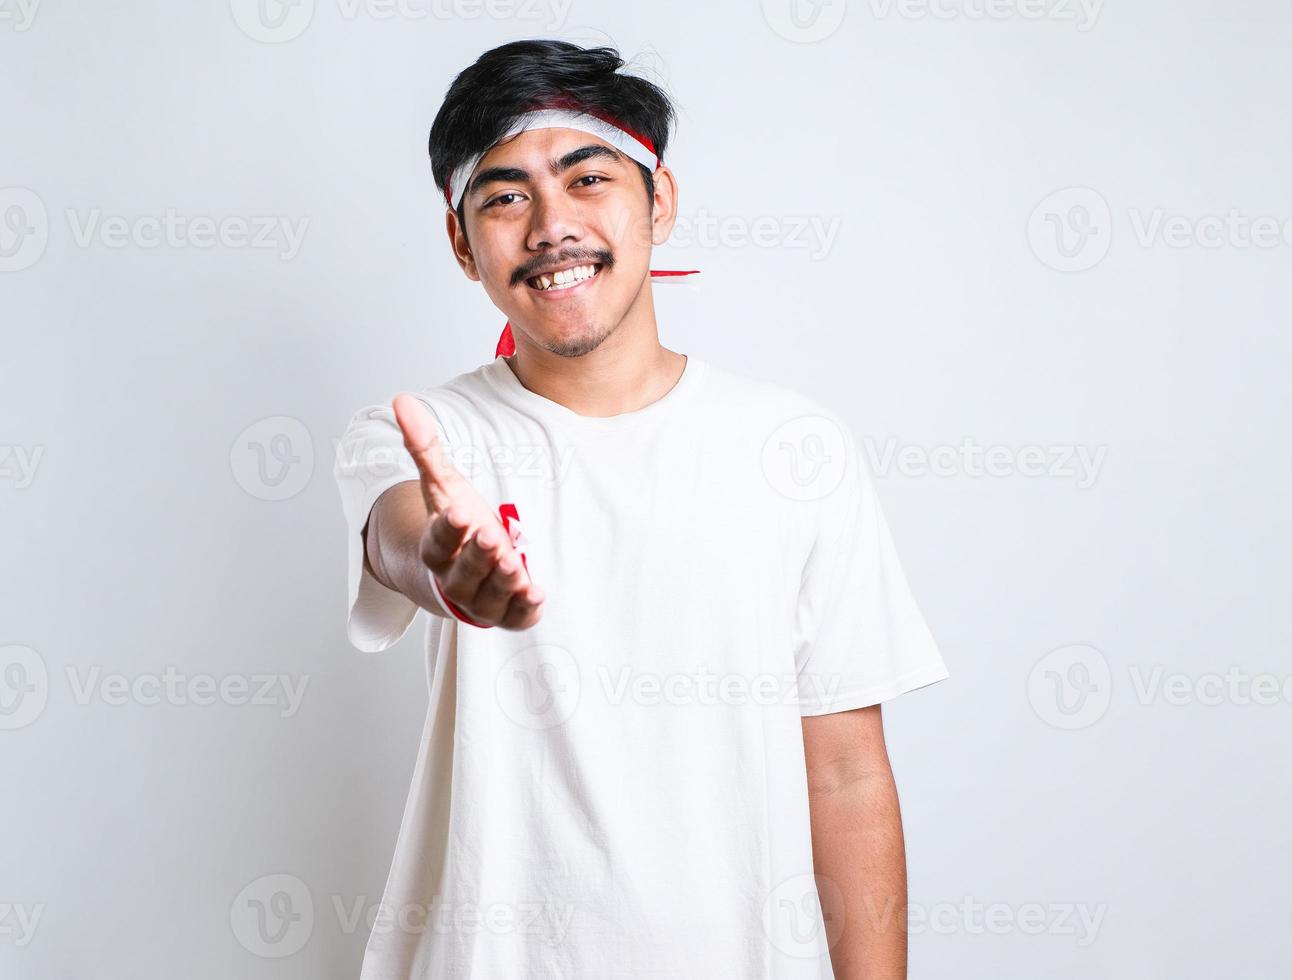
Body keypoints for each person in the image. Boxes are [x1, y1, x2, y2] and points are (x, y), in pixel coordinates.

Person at [332, 39, 950, 980]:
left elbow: (846, 770)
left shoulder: (796, 447)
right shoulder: (423, 433)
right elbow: (401, 535)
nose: (550, 226)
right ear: (461, 243)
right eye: (504, 196)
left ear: (659, 201)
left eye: (587, 178)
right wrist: (450, 572)